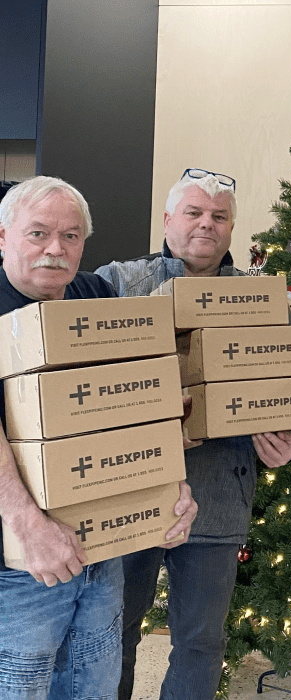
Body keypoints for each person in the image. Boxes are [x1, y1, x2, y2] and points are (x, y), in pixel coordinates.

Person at [96, 169, 291, 700]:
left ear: (233, 228)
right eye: (193, 213)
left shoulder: (262, 300)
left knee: (200, 640)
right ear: (167, 219)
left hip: (220, 491)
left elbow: (287, 379)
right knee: (113, 633)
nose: (205, 225)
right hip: (132, 490)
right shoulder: (119, 283)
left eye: (218, 217)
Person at [0, 176, 197, 700]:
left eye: (70, 236)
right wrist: (26, 524)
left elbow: (136, 404)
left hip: (98, 548)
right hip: (18, 561)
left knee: (94, 686)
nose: (54, 249)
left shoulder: (94, 293)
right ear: (2, 236)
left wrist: (169, 490)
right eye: (38, 233)